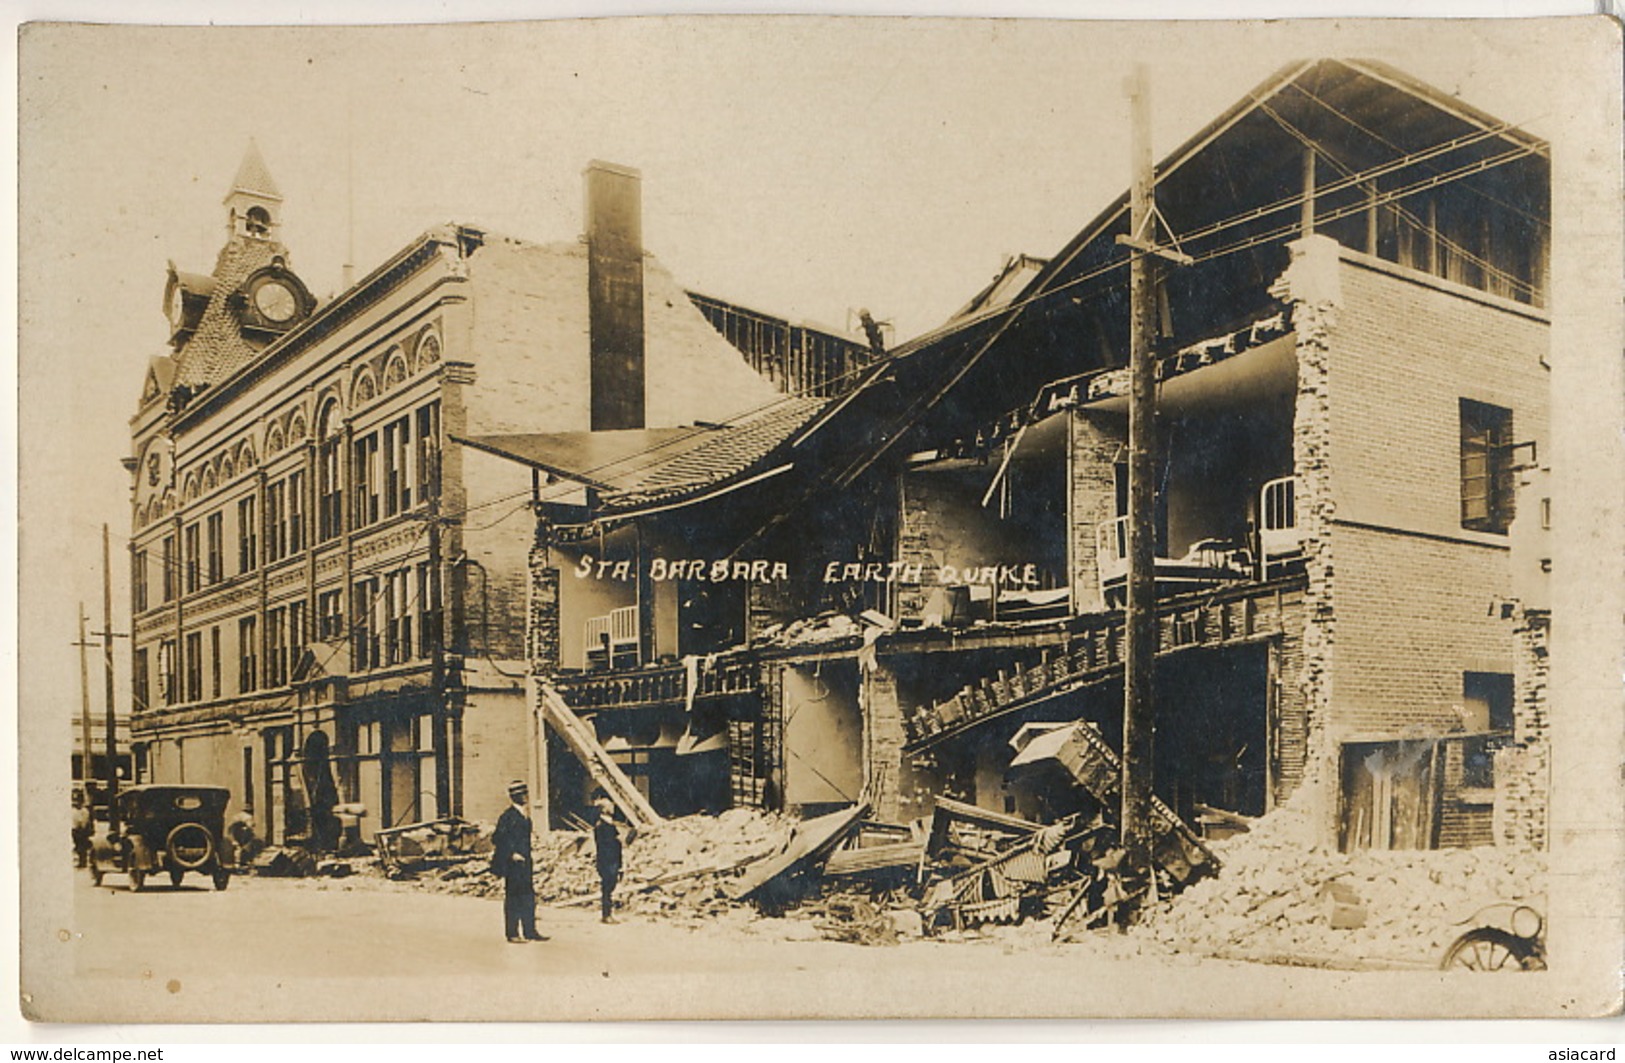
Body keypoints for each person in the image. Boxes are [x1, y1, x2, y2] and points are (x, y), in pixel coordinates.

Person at [490, 780, 546, 943]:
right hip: (513, 864)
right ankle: (512, 933)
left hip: (526, 862)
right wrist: (511, 853)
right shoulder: (507, 816)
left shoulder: (525, 815)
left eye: (525, 793)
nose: (526, 796)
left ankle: (530, 931)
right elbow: (498, 838)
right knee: (513, 898)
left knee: (528, 897)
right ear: (515, 797)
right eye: (523, 794)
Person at [590, 793, 624, 924]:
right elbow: (605, 845)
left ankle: (608, 913)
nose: (613, 807)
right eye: (610, 806)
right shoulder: (601, 826)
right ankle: (606, 915)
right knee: (607, 888)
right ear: (604, 809)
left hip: (613, 859)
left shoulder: (609, 824)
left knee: (610, 886)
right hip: (607, 861)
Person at [71, 789, 92, 869]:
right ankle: (81, 860)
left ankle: (83, 861)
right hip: (76, 830)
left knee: (82, 847)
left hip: (82, 831)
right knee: (78, 845)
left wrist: (82, 827)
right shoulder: (74, 811)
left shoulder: (84, 811)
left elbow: (84, 821)